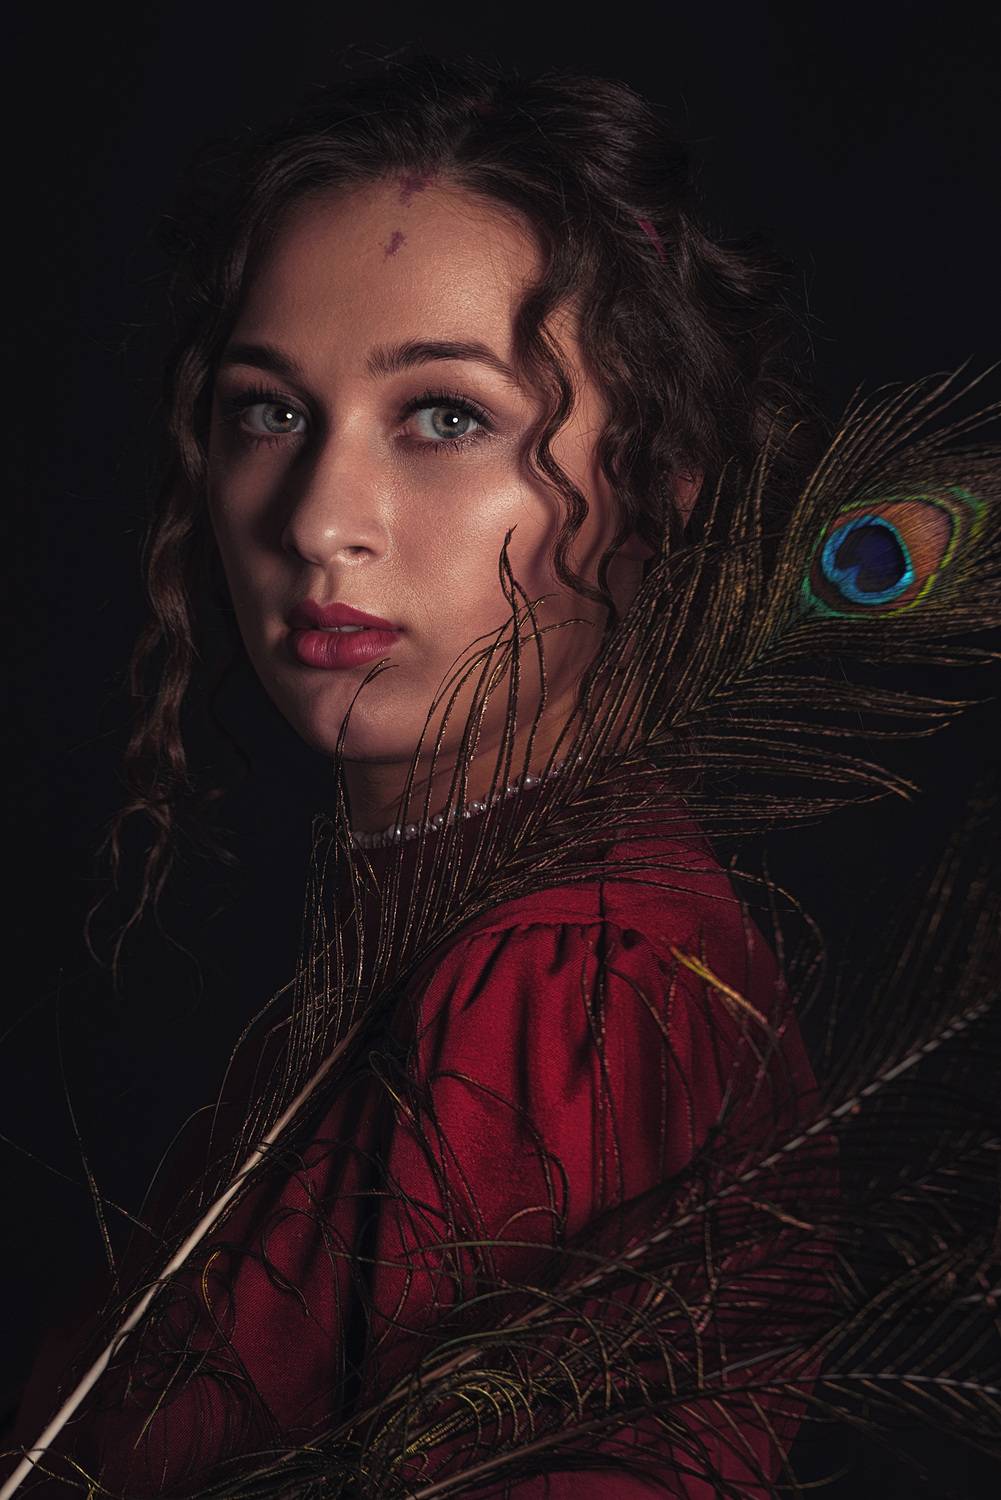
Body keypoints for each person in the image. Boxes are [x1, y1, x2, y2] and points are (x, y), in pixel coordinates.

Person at [4, 51, 997, 1500]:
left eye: (447, 417)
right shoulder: (433, 937)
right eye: (268, 410)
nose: (320, 519)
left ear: (657, 487)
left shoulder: (570, 982)